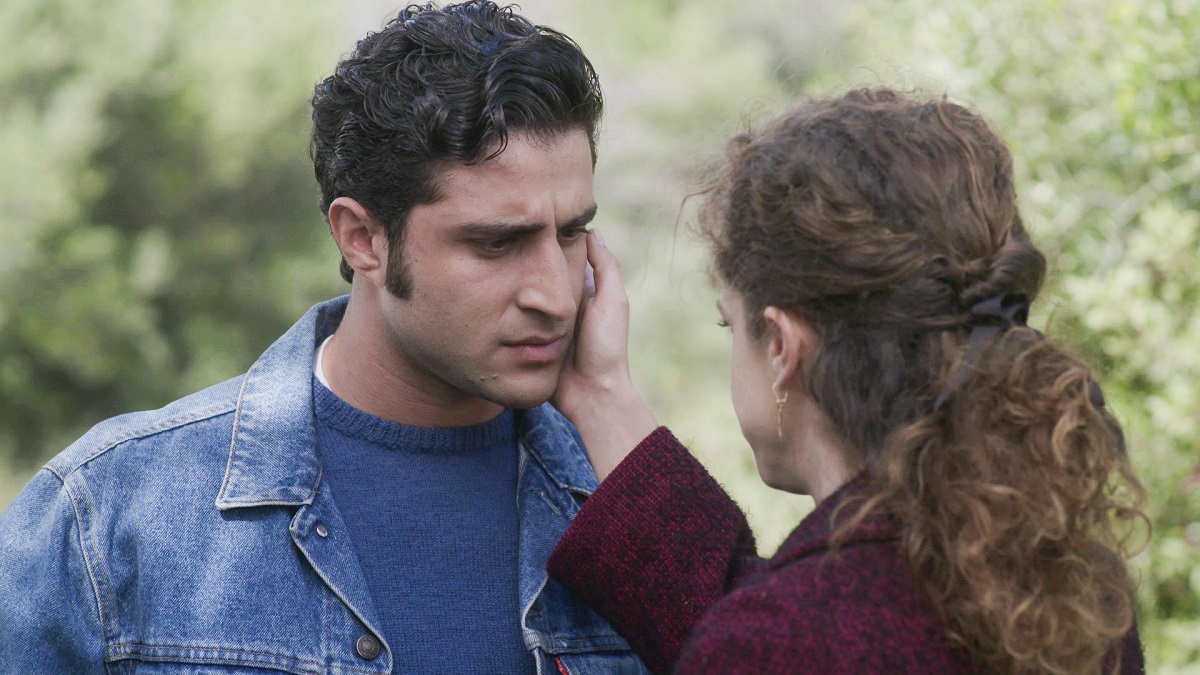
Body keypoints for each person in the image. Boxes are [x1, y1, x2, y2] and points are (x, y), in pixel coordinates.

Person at [0, 3, 651, 673]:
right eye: (495, 243)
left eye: (571, 233)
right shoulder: (110, 515)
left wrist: (608, 400)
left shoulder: (638, 512)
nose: (556, 295)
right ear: (362, 238)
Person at [547, 88, 1148, 674]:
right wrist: (602, 396)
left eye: (729, 324)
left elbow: (781, 637)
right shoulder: (1071, 593)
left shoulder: (780, 640)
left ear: (781, 346)